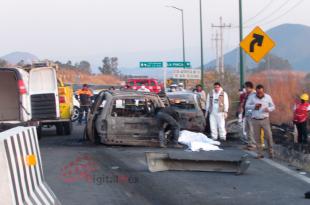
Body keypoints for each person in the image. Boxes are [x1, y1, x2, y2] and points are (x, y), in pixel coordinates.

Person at [245, 84, 275, 159]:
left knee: (268, 136)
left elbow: (273, 106)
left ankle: (271, 152)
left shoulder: (268, 97)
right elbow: (246, 106)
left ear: (263, 91)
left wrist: (269, 109)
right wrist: (254, 106)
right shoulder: (252, 97)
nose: (259, 94)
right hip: (255, 120)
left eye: (261, 92)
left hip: (265, 119)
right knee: (257, 137)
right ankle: (260, 153)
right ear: (256, 91)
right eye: (258, 93)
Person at [240, 81, 257, 150]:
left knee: (251, 129)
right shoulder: (248, 94)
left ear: (249, 87)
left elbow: (255, 105)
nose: (245, 89)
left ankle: (253, 144)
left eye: (246, 87)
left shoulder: (254, 95)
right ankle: (249, 143)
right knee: (247, 129)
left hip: (251, 114)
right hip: (247, 113)